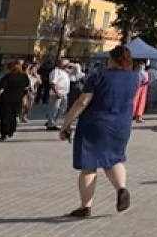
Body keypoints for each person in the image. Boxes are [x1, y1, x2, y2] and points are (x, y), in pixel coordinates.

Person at [57, 45, 140, 218]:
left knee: (89, 165)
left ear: (113, 59)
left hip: (95, 124)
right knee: (114, 159)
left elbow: (83, 101)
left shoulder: (98, 76)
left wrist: (66, 123)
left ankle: (85, 206)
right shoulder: (134, 77)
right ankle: (121, 188)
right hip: (122, 124)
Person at [0, 61, 31, 141]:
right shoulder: (24, 76)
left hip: (5, 99)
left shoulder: (8, 76)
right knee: (13, 115)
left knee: (5, 116)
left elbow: (2, 89)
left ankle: (4, 133)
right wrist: (26, 98)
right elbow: (27, 88)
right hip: (18, 99)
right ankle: (11, 130)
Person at [45, 59, 71, 130]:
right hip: (56, 93)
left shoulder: (65, 72)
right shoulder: (56, 72)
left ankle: (52, 121)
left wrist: (71, 65)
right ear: (59, 64)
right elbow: (53, 83)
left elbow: (77, 71)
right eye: (65, 63)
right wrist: (57, 92)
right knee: (54, 109)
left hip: (64, 93)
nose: (67, 65)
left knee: (62, 108)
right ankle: (51, 124)